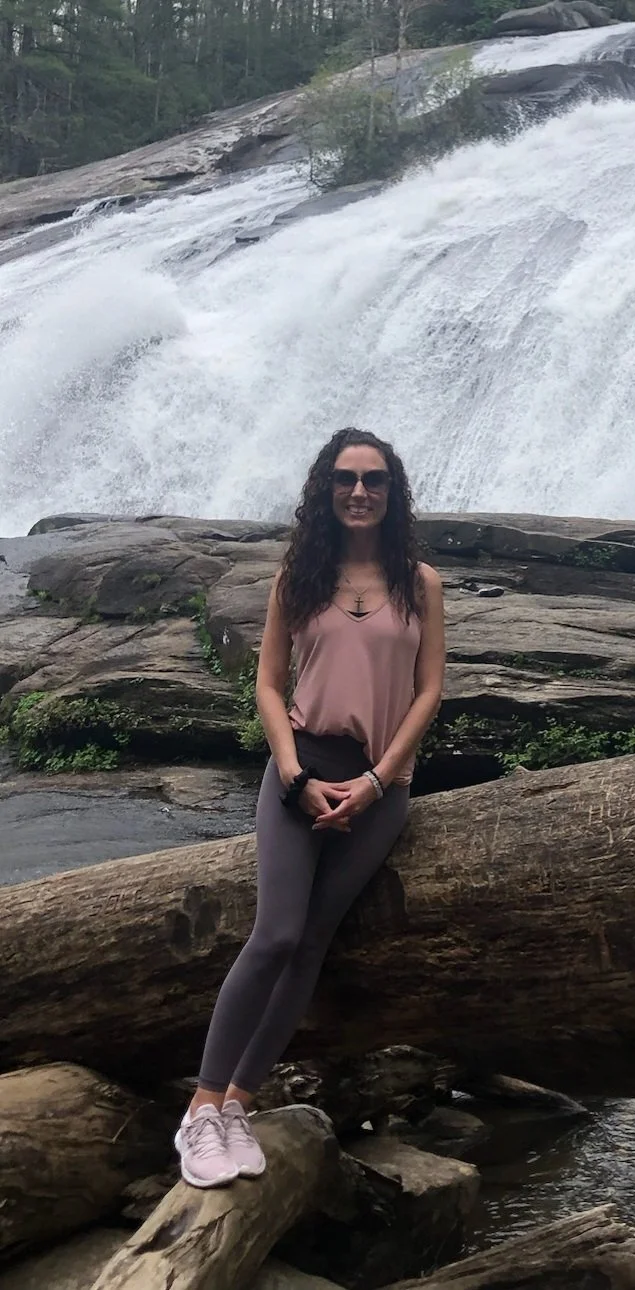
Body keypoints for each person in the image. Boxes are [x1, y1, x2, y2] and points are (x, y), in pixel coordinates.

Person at [175, 427, 445, 1187]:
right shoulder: (299, 575)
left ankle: (239, 1102)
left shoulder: (420, 582)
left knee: (315, 940)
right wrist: (293, 776)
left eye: (375, 480)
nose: (359, 491)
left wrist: (378, 779)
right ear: (324, 490)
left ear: (392, 494)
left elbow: (428, 689)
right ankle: (200, 1110)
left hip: (378, 785)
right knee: (276, 934)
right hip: (300, 770)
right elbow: (267, 683)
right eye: (345, 479)